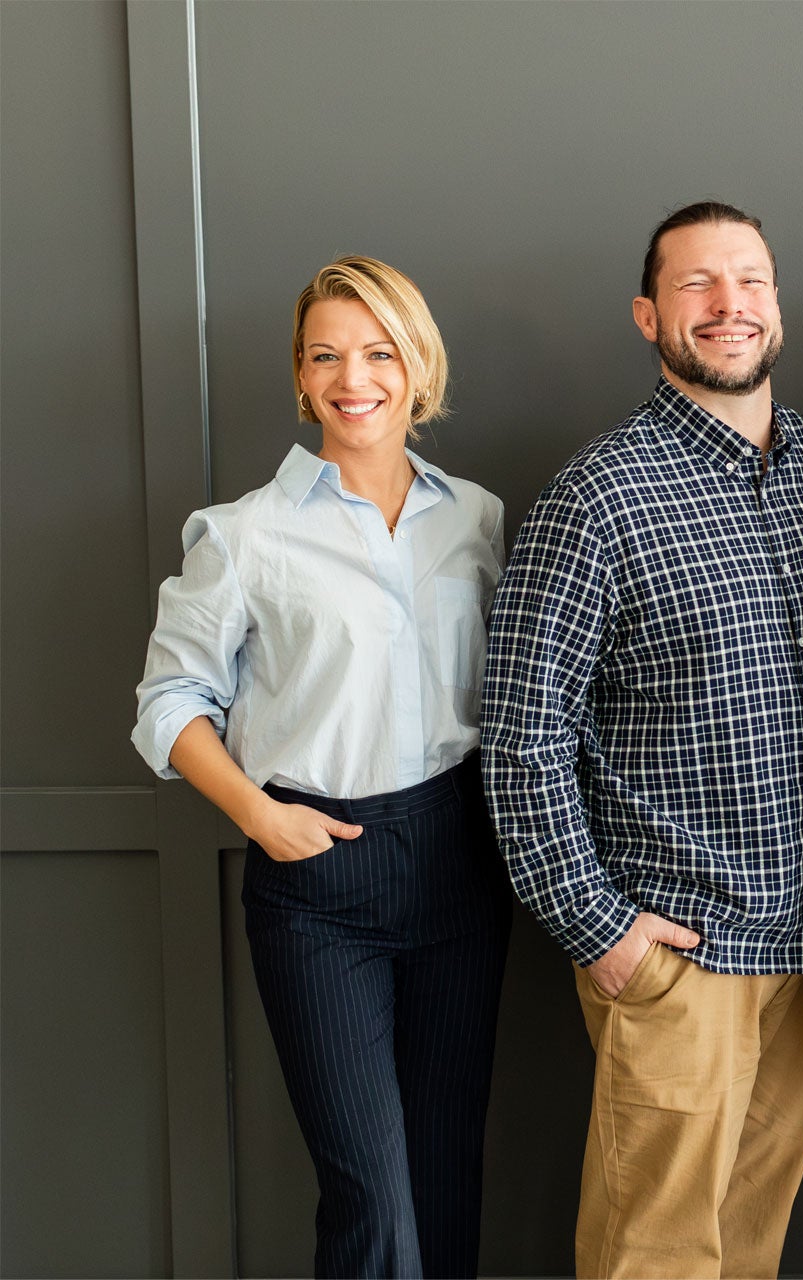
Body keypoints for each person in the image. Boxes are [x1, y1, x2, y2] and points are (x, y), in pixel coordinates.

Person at [480, 201, 803, 1280]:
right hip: (676, 953)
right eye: (699, 284)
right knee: (651, 1255)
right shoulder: (598, 493)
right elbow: (521, 733)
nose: (730, 304)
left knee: (750, 1247)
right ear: (650, 314)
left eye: (751, 279)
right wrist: (601, 927)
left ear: (777, 306)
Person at [132, 256, 512, 1279]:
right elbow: (166, 707)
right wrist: (262, 814)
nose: (356, 377)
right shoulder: (247, 535)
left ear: (417, 365)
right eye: (327, 355)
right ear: (301, 378)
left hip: (459, 865)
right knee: (372, 1198)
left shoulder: (476, 517)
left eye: (380, 350)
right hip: (317, 883)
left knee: (443, 1177)